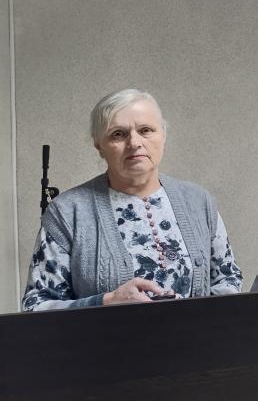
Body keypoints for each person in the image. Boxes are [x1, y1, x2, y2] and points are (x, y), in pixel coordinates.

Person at [21, 89, 242, 311]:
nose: (134, 143)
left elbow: (228, 279)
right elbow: (36, 305)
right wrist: (106, 302)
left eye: (146, 130)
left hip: (196, 335)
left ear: (163, 135)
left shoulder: (198, 202)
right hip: (104, 336)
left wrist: (203, 321)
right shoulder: (68, 212)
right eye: (118, 134)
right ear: (99, 145)